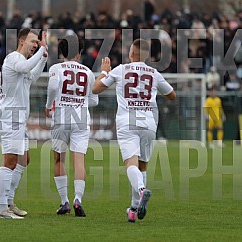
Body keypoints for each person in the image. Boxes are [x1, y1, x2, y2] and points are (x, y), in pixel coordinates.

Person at [92, 39, 176, 223]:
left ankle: (141, 189)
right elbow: (172, 95)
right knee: (142, 165)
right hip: (148, 123)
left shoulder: (121, 69)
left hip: (127, 121)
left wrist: (104, 70)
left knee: (131, 163)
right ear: (146, 56)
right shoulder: (154, 73)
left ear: (132, 53)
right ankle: (133, 209)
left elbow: (95, 89)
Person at [0, 28, 48, 219]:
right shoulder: (13, 59)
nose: (35, 45)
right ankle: (2, 209)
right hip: (11, 117)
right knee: (10, 161)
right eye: (33, 41)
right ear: (21, 41)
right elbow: (26, 68)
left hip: (20, 119)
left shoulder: (22, 63)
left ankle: (9, 202)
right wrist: (42, 50)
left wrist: (43, 57)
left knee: (24, 159)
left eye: (37, 42)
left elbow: (32, 76)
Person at [45, 35, 98, 217]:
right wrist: (79, 100)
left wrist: (48, 104)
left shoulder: (56, 68)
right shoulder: (88, 72)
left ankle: (64, 201)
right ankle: (78, 199)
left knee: (59, 159)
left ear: (62, 52)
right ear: (80, 52)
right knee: (79, 160)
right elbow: (94, 100)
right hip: (81, 118)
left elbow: (52, 87)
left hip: (61, 116)